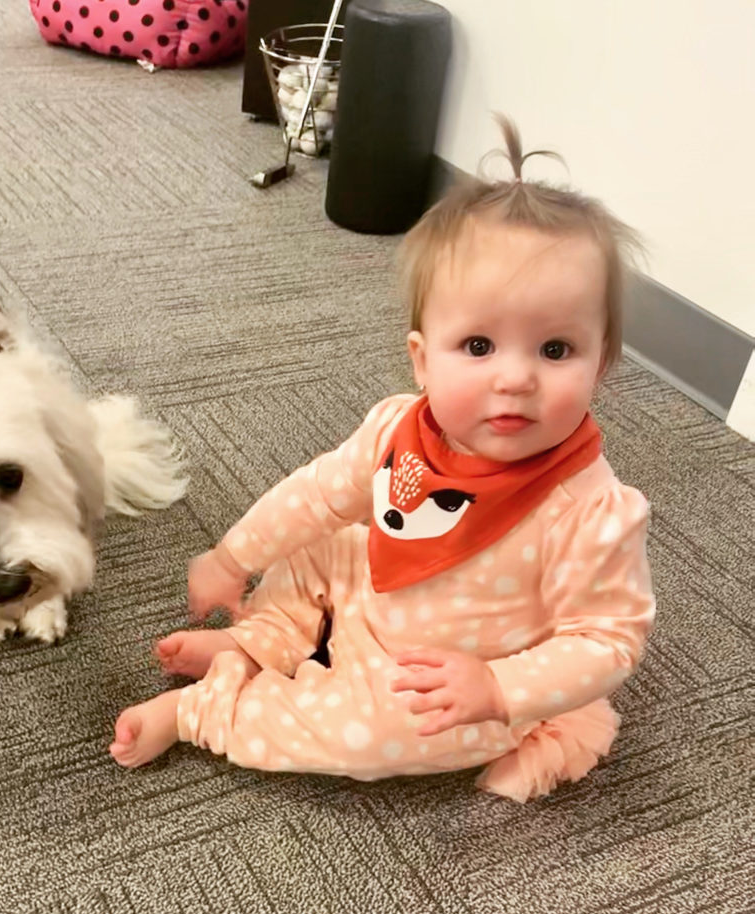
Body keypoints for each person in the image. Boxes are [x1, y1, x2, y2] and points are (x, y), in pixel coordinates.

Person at [109, 116, 656, 801]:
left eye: (555, 350)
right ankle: (264, 641)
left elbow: (607, 639)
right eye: (479, 347)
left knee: (364, 739)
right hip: (376, 588)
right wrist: (231, 558)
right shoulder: (398, 427)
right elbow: (314, 496)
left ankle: (201, 714)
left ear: (601, 363)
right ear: (423, 360)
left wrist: (498, 687)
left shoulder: (589, 509)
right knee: (318, 542)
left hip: (457, 677)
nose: (515, 379)